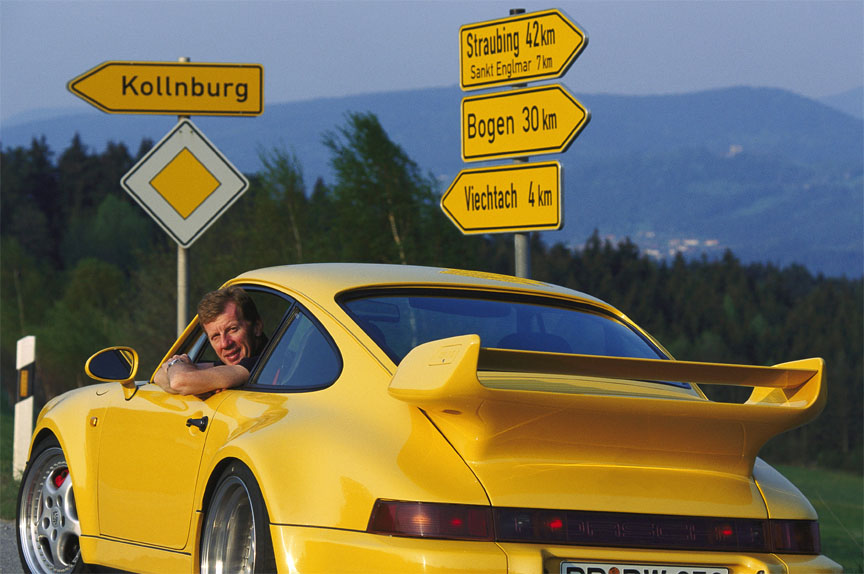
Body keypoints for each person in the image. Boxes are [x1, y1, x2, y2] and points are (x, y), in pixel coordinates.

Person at [153, 286, 267, 396]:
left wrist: (176, 365)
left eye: (232, 329)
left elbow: (178, 381)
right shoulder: (230, 364)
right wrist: (200, 384)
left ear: (257, 327)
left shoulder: (261, 364)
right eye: (215, 336)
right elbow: (158, 375)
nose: (225, 344)